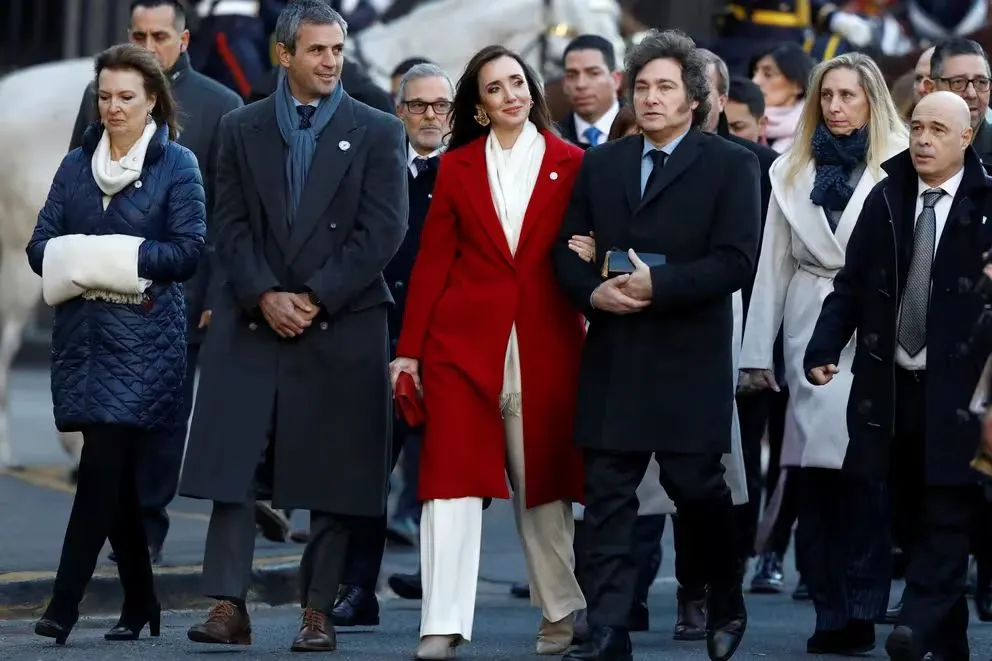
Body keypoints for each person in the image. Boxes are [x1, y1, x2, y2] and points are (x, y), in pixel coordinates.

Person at [177, 0, 408, 652]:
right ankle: (228, 606)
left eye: (337, 50)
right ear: (285, 54)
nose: (331, 61)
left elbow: (382, 230)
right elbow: (227, 223)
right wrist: (263, 294)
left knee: (335, 472)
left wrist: (314, 295)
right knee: (232, 466)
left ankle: (317, 611)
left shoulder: (378, 129)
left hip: (341, 319)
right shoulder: (240, 126)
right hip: (253, 316)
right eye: (317, 50)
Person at [553, 28, 760, 661]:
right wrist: (593, 292)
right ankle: (610, 627)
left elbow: (735, 261)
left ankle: (725, 598)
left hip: (688, 356)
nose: (650, 98)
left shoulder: (732, 163)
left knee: (698, 490)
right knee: (609, 498)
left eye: (665, 87)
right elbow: (565, 252)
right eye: (642, 86)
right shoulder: (603, 163)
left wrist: (657, 285)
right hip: (616, 354)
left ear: (693, 98)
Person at [391, 44, 587, 660]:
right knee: (448, 485)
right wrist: (409, 353)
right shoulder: (457, 167)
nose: (512, 95)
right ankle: (440, 624)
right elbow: (432, 266)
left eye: (518, 82)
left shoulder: (573, 162)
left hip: (545, 341)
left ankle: (561, 611)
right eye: (496, 88)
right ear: (478, 107)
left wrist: (593, 249)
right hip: (460, 346)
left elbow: (596, 241)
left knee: (543, 486)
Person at [28, 42, 206, 644]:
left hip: (146, 340)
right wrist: (80, 259)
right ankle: (142, 600)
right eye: (104, 96)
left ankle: (63, 604)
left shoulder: (178, 164)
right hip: (83, 340)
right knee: (117, 478)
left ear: (153, 98)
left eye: (126, 96)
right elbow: (39, 246)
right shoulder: (76, 165)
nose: (113, 107)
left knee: (100, 466)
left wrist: (100, 259)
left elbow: (187, 252)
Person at [805, 90, 992, 661]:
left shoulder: (988, 203)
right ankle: (948, 638)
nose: (924, 139)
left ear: (967, 137)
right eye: (917, 127)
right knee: (907, 513)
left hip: (960, 395)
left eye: (939, 129)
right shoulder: (887, 196)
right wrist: (824, 344)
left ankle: (912, 623)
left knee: (949, 510)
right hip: (892, 390)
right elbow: (852, 283)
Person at [739, 52, 908, 654]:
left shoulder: (904, 161)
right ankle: (829, 611)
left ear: (872, 101)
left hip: (881, 331)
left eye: (850, 96)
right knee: (814, 480)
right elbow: (771, 269)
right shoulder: (789, 169)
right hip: (811, 332)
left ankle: (862, 609)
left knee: (866, 480)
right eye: (827, 96)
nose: (836, 107)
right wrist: (755, 353)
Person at [67, 0, 244, 563]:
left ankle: (145, 530)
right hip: (104, 284)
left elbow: (231, 212)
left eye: (160, 35)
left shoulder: (220, 106)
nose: (149, 46)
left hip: (182, 291)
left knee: (163, 418)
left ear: (184, 39)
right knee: (105, 418)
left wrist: (217, 293)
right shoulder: (100, 100)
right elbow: (75, 183)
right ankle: (112, 529)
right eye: (139, 34)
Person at [331, 61, 455, 627]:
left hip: (447, 349)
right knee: (363, 473)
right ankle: (357, 589)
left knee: (447, 481)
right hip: (377, 342)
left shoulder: (469, 173)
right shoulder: (373, 167)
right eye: (418, 105)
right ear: (398, 112)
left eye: (441, 106)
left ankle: (445, 592)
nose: (430, 116)